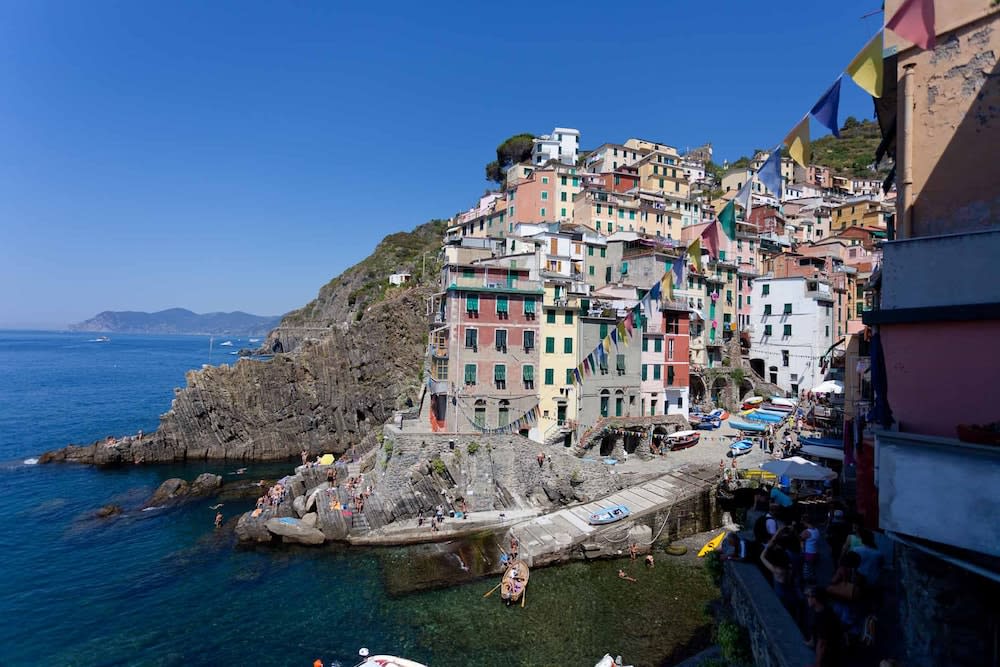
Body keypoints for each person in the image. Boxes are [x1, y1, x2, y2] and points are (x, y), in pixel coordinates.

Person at [760, 528, 796, 613]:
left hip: (780, 590)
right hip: (788, 586)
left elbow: (762, 557)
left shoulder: (776, 569)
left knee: (783, 606)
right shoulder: (789, 563)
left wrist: (767, 548)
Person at [805, 587, 843, 667]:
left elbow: (822, 643)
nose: (807, 598)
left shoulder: (823, 618)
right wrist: (812, 641)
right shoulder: (818, 609)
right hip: (825, 646)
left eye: (809, 596)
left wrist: (817, 664)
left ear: (815, 599)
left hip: (830, 653)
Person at [800, 516, 821, 584]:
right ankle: (814, 582)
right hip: (815, 552)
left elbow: (799, 539)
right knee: (813, 569)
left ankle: (808, 585)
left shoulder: (806, 532)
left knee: (807, 570)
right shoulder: (817, 530)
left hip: (808, 553)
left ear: (806, 522)